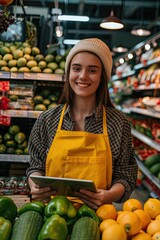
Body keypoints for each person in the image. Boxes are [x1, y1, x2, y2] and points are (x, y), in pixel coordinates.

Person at [26, 38, 138, 210]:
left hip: (99, 218)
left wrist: (108, 195)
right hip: (51, 217)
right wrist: (35, 185)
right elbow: (36, 166)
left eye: (92, 70)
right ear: (69, 72)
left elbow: (126, 174)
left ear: (102, 77)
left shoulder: (118, 123)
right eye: (76, 68)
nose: (83, 76)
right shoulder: (47, 120)